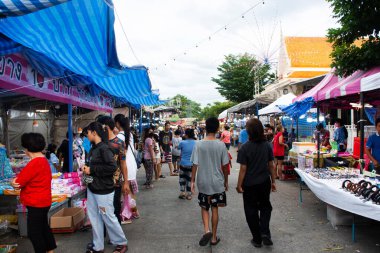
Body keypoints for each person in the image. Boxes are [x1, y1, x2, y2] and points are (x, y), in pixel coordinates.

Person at [84, 122, 128, 253]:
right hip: (93, 187)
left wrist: (91, 170)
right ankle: (98, 246)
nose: (87, 136)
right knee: (94, 217)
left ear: (94, 133)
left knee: (108, 216)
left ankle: (121, 243)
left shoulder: (104, 148)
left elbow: (112, 167)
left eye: (88, 133)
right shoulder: (94, 148)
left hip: (104, 189)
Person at [11, 133, 57, 253]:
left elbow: (18, 183)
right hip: (44, 201)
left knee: (34, 233)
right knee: (44, 228)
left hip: (36, 203)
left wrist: (12, 182)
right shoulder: (43, 160)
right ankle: (50, 250)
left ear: (27, 148)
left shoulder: (34, 163)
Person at [236, 118, 276, 248]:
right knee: (265, 207)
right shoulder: (267, 145)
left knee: (250, 210)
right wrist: (273, 181)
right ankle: (265, 232)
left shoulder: (244, 148)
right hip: (264, 182)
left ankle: (257, 239)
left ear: (248, 132)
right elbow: (271, 165)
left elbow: (243, 169)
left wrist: (239, 185)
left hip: (249, 184)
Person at [191, 117, 229, 247]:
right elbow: (225, 166)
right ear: (218, 128)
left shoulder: (199, 144)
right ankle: (213, 238)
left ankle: (206, 230)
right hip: (217, 182)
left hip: (203, 181)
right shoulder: (221, 144)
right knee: (215, 208)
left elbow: (195, 164)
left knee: (204, 207)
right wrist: (226, 181)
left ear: (205, 128)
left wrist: (192, 181)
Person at [97, 116, 130, 224]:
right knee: (102, 210)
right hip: (101, 183)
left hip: (115, 183)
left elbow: (123, 163)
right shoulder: (99, 143)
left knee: (115, 208)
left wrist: (126, 182)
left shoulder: (119, 143)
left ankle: (116, 236)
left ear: (105, 127)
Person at [114, 114, 140, 223]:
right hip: (132, 165)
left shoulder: (119, 137)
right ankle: (134, 212)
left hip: (126, 166)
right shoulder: (129, 134)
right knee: (129, 192)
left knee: (125, 192)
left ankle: (127, 215)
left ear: (117, 123)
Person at [178, 129, 197, 200]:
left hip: (183, 163)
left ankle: (182, 192)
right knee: (190, 179)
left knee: (182, 178)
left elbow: (178, 147)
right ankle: (189, 194)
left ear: (186, 135)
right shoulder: (196, 143)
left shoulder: (182, 142)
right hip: (192, 165)